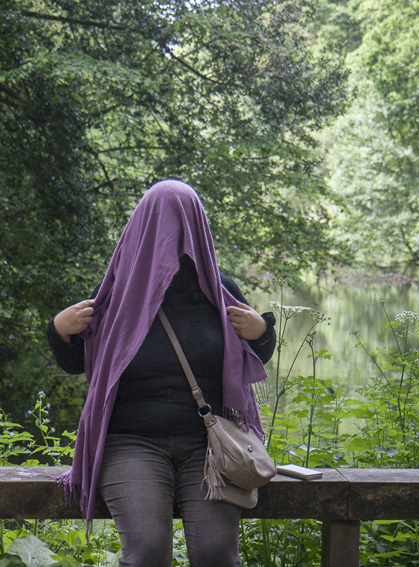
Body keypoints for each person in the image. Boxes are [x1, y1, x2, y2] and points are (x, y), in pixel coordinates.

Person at [47, 179, 276, 567]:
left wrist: (263, 332)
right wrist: (58, 331)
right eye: (163, 224)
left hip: (209, 445)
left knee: (216, 554)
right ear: (145, 227)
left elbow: (254, 356)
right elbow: (77, 363)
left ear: (196, 228)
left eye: (181, 224)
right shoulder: (120, 289)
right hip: (131, 442)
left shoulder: (220, 290)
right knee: (147, 553)